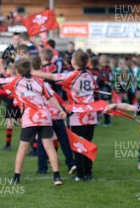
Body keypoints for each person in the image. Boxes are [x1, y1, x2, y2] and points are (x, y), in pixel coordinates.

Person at [0, 58, 66, 186]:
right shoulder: (39, 81)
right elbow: (51, 96)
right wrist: (60, 110)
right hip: (44, 117)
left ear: (17, 70)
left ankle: (16, 177)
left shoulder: (15, 81)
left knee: (23, 148)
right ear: (30, 69)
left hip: (30, 119)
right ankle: (57, 177)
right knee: (49, 147)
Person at [32, 50, 98, 181]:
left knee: (79, 145)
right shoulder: (90, 75)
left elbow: (52, 77)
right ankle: (88, 172)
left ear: (73, 62)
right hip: (91, 113)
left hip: (78, 115)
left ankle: (80, 174)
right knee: (88, 143)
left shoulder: (72, 75)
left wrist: (33, 73)